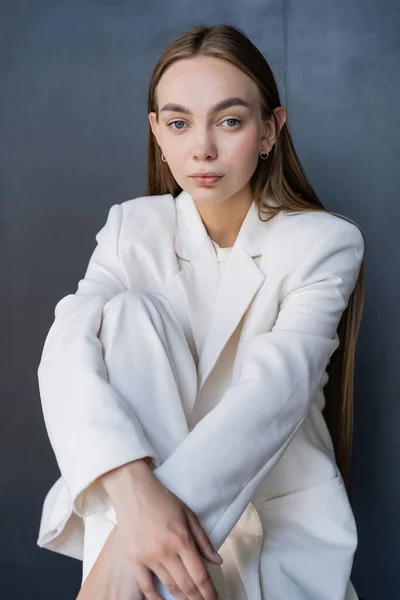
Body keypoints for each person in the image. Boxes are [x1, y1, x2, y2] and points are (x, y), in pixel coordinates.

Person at [36, 23, 365, 600]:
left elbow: (274, 393)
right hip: (134, 520)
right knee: (127, 316)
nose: (203, 148)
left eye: (230, 120)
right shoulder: (129, 230)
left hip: (270, 518)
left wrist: (126, 557)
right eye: (180, 122)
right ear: (157, 132)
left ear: (270, 130)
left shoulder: (324, 242)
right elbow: (65, 355)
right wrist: (137, 501)